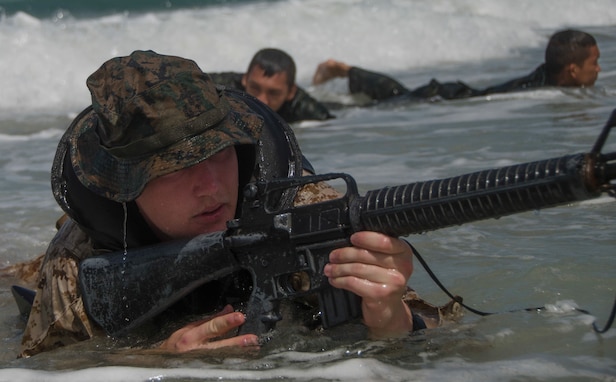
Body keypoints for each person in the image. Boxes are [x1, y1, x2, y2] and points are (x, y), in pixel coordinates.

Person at [16, 50, 460, 358]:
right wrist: (157, 357)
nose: (211, 186)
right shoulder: (80, 254)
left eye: (220, 154)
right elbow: (48, 364)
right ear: (126, 188)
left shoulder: (298, 204)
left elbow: (450, 342)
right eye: (176, 168)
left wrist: (389, 317)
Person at [312, 29, 601, 103]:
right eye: (594, 63)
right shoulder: (541, 89)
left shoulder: (544, 81)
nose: (599, 69)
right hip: (444, 96)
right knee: (390, 100)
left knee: (396, 96)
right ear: (572, 71)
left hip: (451, 94)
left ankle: (347, 72)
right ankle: (345, 71)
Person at [210, 48, 334, 123]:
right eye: (255, 88)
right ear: (245, 79)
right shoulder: (223, 87)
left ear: (291, 92)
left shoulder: (305, 108)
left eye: (274, 93)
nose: (261, 100)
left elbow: (335, 125)